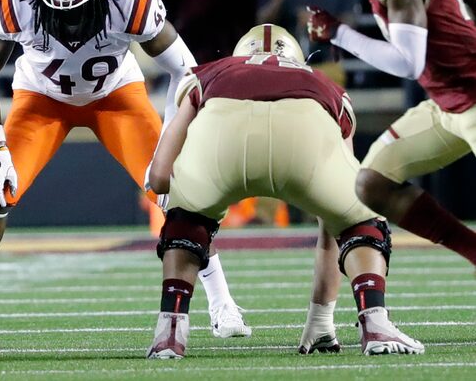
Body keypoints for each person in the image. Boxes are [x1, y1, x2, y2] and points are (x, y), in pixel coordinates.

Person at [0, 0, 249, 351]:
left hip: (115, 96)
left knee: (177, 193)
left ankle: (221, 301)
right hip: (40, 100)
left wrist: (171, 139)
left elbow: (185, 73)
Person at [145, 24, 424, 358]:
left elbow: (160, 176)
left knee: (186, 216)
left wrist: (188, 203)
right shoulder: (327, 85)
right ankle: (375, 322)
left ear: (239, 55)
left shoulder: (208, 74)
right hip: (306, 129)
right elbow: (330, 223)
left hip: (223, 142)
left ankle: (170, 331)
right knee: (359, 220)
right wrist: (321, 319)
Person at [307, 0, 476, 268]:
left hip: (471, 97)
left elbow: (407, 63)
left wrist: (338, 34)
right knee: (372, 184)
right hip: (449, 102)